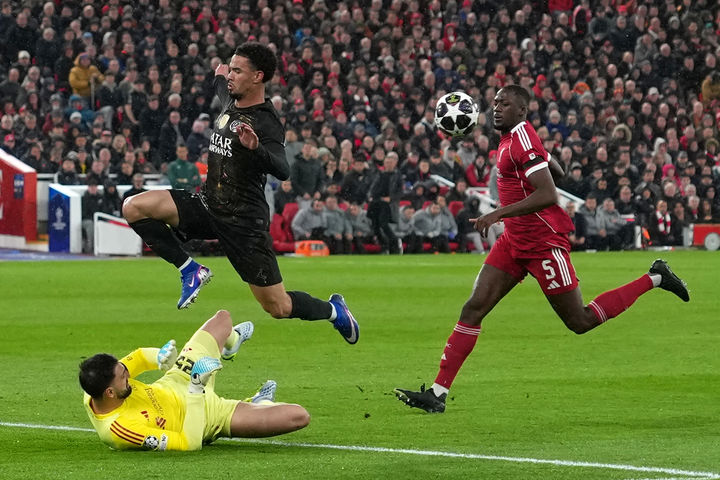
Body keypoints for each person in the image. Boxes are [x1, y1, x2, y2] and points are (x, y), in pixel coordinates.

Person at [395, 85, 689, 413]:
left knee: (580, 321)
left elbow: (549, 193)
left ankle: (656, 277)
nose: (496, 108)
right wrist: (541, 158)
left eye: (505, 104)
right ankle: (437, 394)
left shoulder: (520, 139)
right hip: (514, 241)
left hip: (543, 244)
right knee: (473, 309)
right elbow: (557, 172)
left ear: (522, 110)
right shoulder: (514, 137)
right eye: (495, 103)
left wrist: (498, 213)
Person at [121, 42, 358, 344]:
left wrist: (256, 148)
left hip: (243, 223)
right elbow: (221, 83)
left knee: (278, 307)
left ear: (258, 77)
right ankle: (190, 269)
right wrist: (220, 74)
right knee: (133, 207)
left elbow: (283, 169)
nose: (230, 75)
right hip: (208, 205)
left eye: (237, 70)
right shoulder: (230, 99)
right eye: (230, 69)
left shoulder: (266, 121)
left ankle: (334, 311)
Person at [79, 309, 310, 451]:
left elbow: (138, 357)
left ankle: (232, 343)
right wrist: (196, 388)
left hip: (179, 377)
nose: (128, 375)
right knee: (298, 416)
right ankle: (260, 403)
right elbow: (189, 443)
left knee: (222, 319)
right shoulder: (121, 430)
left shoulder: (99, 383)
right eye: (123, 377)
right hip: (204, 415)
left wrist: (159, 357)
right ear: (110, 393)